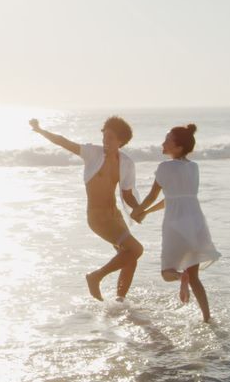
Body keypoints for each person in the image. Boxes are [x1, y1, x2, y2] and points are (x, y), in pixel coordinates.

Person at [30, 116, 144, 302]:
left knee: (130, 257)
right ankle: (95, 277)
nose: (105, 141)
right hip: (98, 218)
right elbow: (64, 142)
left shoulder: (127, 163)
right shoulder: (93, 153)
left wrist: (140, 209)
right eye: (104, 136)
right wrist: (41, 130)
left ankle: (120, 302)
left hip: (115, 217)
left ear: (120, 141)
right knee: (136, 249)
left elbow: (128, 195)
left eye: (110, 138)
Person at [132, 124, 221, 322]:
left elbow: (152, 196)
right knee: (195, 276)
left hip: (174, 225)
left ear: (178, 147)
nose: (163, 143)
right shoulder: (194, 167)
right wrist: (146, 212)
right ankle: (207, 317)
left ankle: (181, 278)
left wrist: (137, 211)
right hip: (196, 224)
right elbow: (172, 198)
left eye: (167, 140)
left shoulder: (165, 167)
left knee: (166, 273)